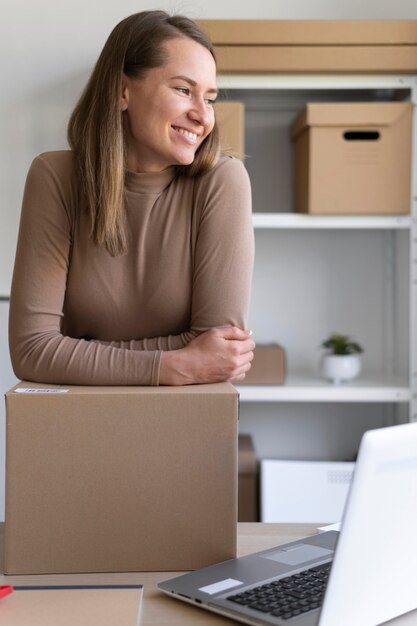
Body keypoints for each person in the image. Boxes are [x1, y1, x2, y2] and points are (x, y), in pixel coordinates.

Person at [9, 10, 255, 386]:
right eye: (183, 90)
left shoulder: (222, 181)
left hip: (184, 419)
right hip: (76, 424)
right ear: (123, 92)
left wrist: (82, 350)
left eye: (210, 98)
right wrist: (173, 365)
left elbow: (219, 354)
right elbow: (31, 350)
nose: (203, 116)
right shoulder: (55, 178)